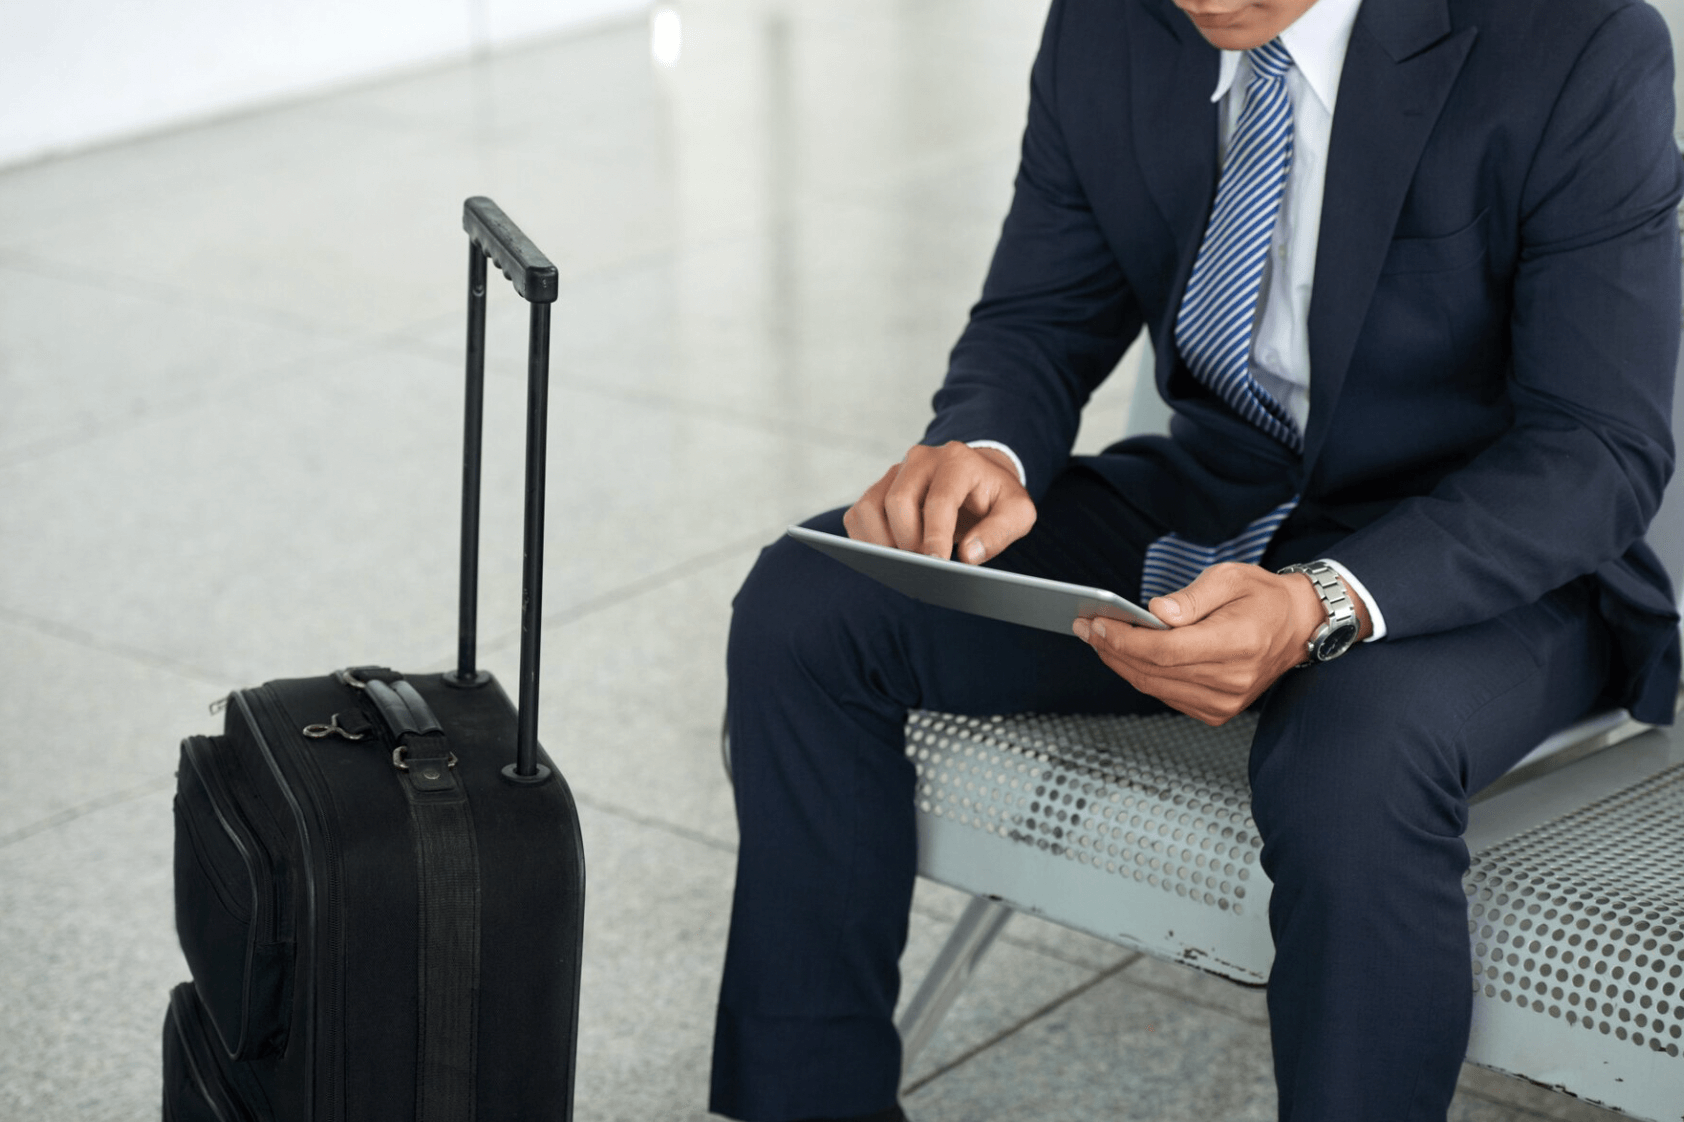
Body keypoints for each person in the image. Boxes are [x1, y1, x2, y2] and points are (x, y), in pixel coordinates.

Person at [710, 0, 1684, 1116]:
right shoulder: (1108, 25)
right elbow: (1041, 315)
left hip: (1484, 557)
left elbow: (1595, 450)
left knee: (1351, 754)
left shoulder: (1572, 44)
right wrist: (982, 448)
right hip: (1225, 494)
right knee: (813, 602)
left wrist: (1323, 601)